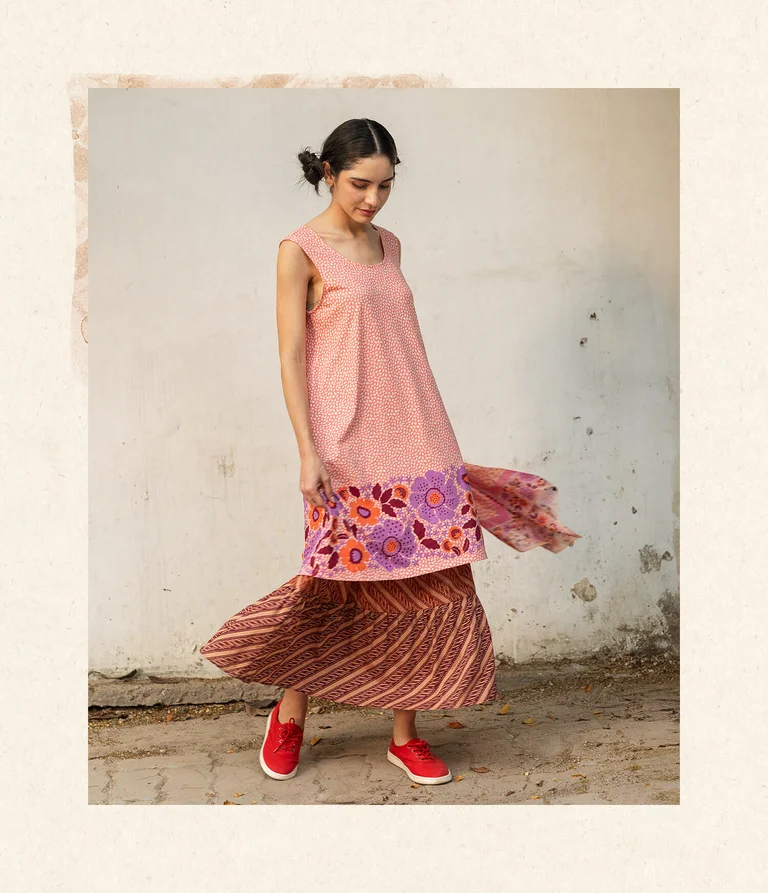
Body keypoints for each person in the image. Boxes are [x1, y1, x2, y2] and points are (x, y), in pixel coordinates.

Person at [200, 118, 580, 787]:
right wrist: (308, 449)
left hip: (419, 435)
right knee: (331, 582)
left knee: (429, 579)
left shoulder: (390, 245)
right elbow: (290, 357)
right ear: (328, 173)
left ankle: (405, 735)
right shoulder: (299, 251)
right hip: (345, 443)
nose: (372, 199)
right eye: (359, 184)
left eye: (385, 185)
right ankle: (289, 714)